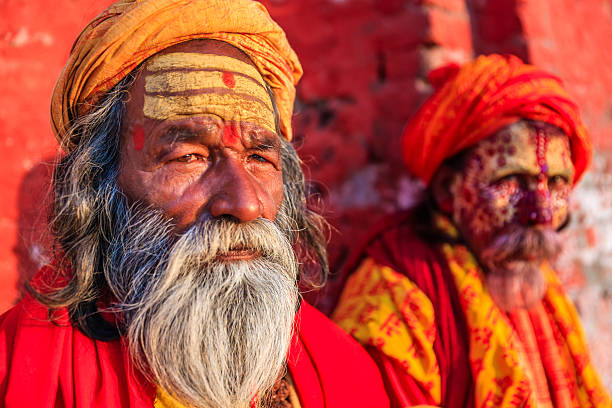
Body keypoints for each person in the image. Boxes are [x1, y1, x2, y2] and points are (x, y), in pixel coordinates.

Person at [0, 1, 390, 407]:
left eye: (259, 158)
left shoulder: (344, 376)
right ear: (102, 183)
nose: (244, 203)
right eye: (189, 156)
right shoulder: (22, 372)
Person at [333, 54, 611, 408]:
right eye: (511, 181)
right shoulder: (393, 294)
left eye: (557, 183)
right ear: (450, 190)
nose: (541, 212)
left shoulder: (539, 283)